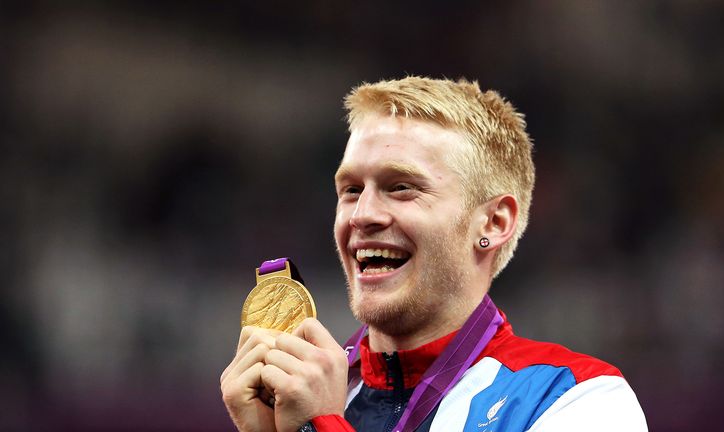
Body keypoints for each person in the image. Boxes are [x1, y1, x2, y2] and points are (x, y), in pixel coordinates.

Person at [220, 76, 648, 432]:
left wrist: (324, 426)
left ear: (493, 223)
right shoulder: (296, 397)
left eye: (401, 187)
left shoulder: (577, 399)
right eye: (351, 190)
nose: (363, 215)